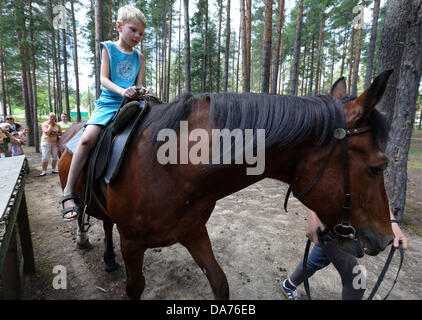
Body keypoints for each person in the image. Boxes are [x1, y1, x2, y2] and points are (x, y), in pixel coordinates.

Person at [60, 4, 149, 221]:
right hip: (109, 103)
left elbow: (138, 84)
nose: (137, 36)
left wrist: (142, 90)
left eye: (141, 33)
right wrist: (122, 90)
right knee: (87, 139)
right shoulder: (108, 48)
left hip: (132, 105)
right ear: (119, 26)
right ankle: (69, 190)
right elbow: (103, 79)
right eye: (133, 30)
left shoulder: (140, 57)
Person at [281, 208, 409, 300]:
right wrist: (312, 213)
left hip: (349, 223)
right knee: (357, 281)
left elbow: (379, 189)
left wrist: (392, 223)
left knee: (321, 257)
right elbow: (308, 173)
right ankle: (289, 285)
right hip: (329, 222)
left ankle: (289, 285)